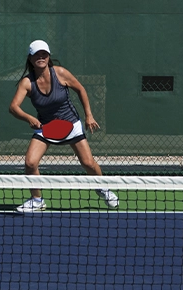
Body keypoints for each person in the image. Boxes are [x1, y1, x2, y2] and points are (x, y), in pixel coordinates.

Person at [8, 39, 118, 212]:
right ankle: (37, 200)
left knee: (88, 163)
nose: (41, 57)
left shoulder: (60, 73)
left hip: (71, 124)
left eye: (44, 54)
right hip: (46, 128)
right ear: (30, 58)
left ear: (48, 56)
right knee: (30, 162)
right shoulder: (27, 83)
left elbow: (80, 89)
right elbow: (13, 107)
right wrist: (28, 118)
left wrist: (89, 115)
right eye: (37, 54)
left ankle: (103, 188)